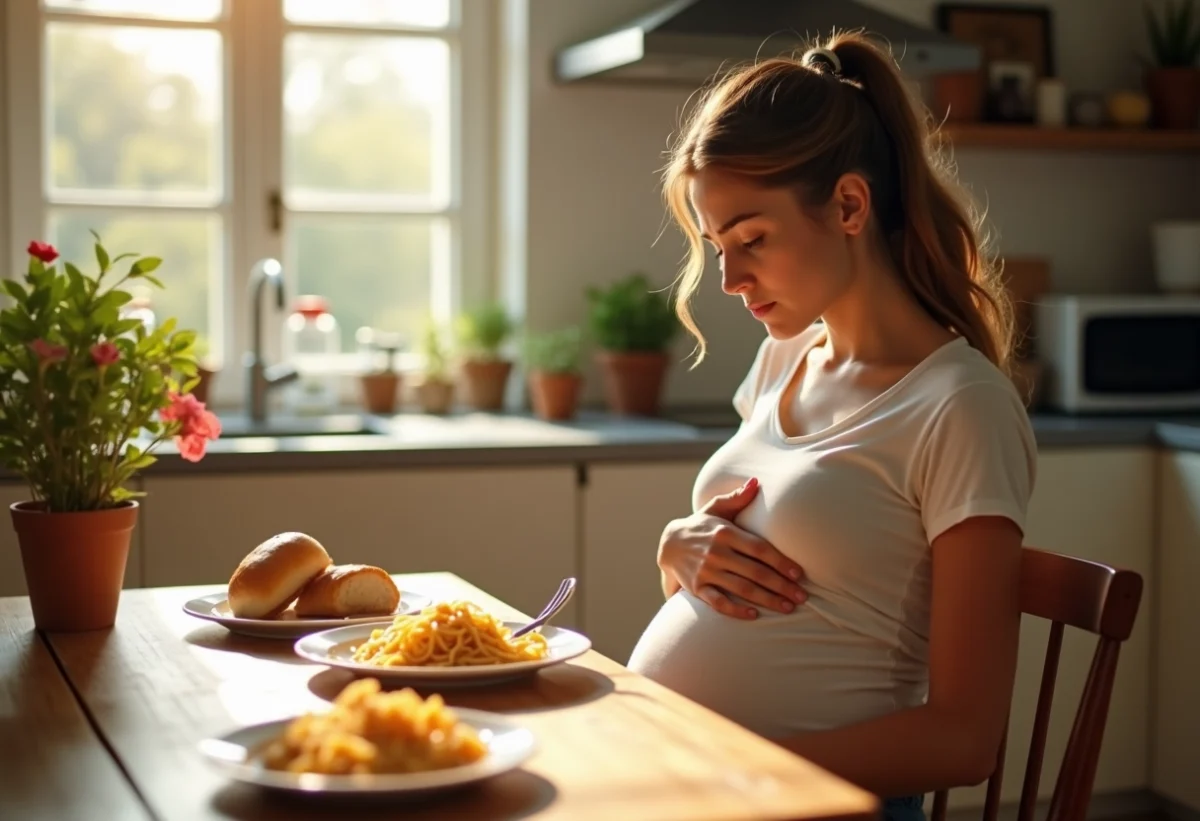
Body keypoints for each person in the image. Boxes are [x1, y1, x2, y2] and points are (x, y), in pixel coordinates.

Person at [625, 30, 1037, 821]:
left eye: (751, 239)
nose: (730, 279)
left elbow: (964, 738)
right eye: (717, 247)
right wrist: (674, 548)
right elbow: (765, 591)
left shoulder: (960, 406)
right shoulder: (784, 359)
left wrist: (732, 771)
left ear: (849, 204)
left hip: (805, 803)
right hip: (698, 781)